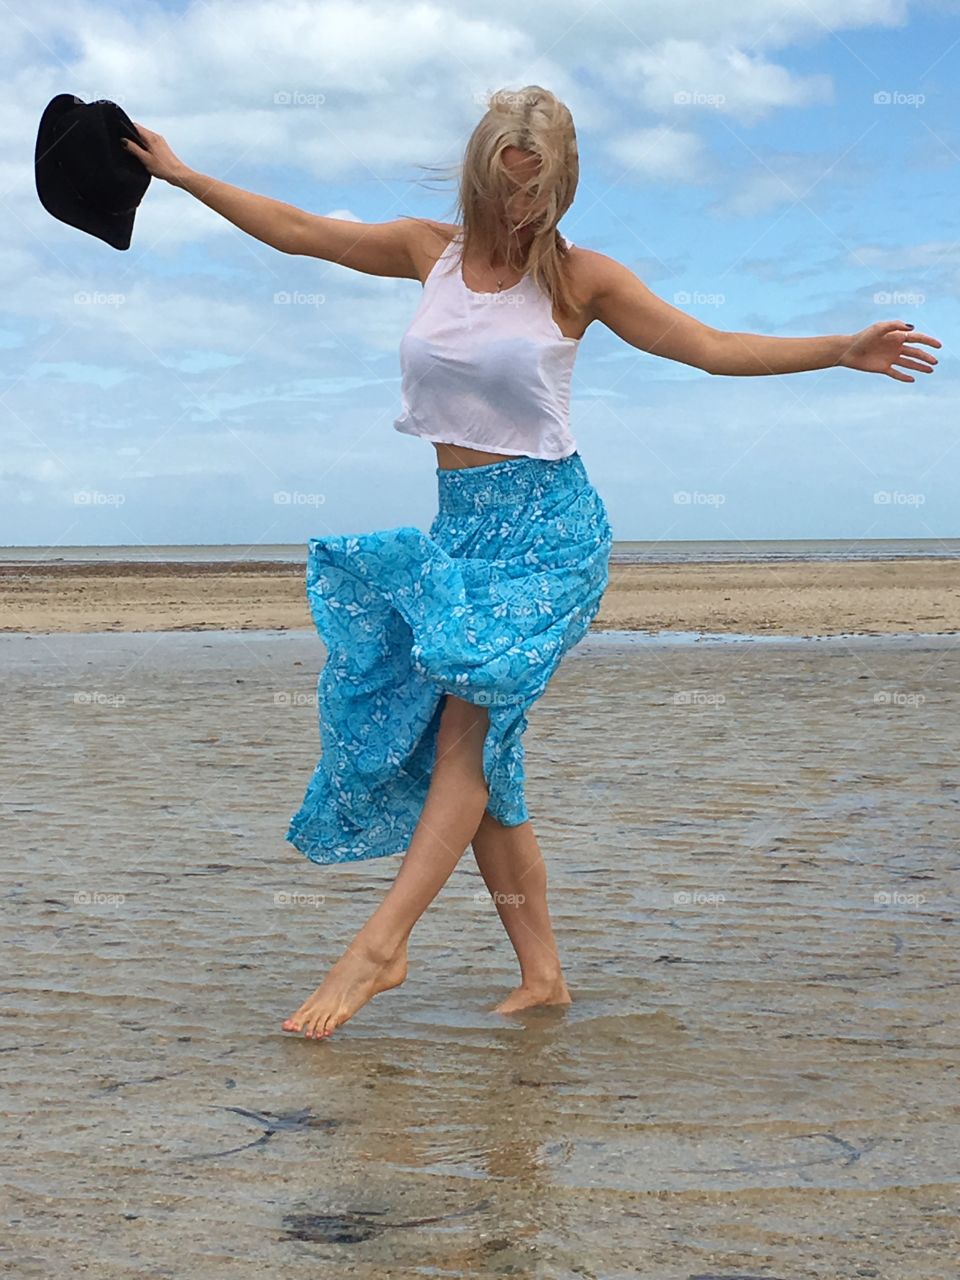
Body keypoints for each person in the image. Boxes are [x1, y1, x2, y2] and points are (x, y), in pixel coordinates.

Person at [123, 84, 941, 1041]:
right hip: (461, 529)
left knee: (465, 735)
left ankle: (380, 948)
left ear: (561, 191)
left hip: (551, 535)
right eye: (509, 188)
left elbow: (712, 346)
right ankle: (544, 978)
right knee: (486, 763)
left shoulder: (579, 280)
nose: (521, 213)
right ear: (478, 171)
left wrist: (839, 346)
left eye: (540, 195)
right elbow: (301, 228)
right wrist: (180, 176)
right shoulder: (424, 253)